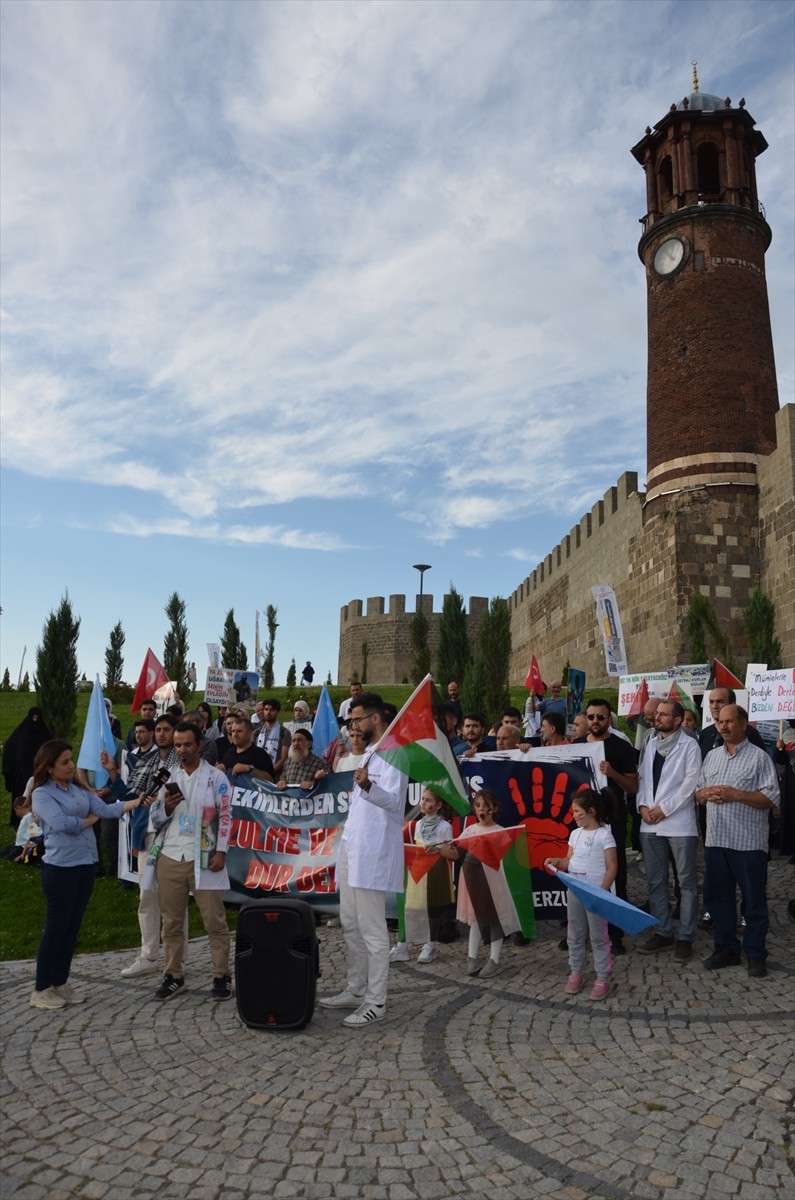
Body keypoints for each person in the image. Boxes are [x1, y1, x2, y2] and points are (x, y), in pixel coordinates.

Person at [30, 740, 142, 1009]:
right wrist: (90, 821)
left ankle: (60, 982)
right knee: (56, 928)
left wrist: (138, 802)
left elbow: (106, 809)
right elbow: (63, 824)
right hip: (60, 868)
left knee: (72, 928)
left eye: (71, 759)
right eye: (65, 762)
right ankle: (41, 988)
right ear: (49, 767)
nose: (71, 765)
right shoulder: (42, 794)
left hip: (85, 864)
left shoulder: (78, 788)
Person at [319, 693, 407, 1028]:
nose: (352, 726)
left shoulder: (395, 753)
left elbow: (396, 804)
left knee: (372, 928)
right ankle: (356, 988)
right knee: (350, 922)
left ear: (374, 718)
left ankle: (376, 1000)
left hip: (373, 851)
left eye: (356, 719)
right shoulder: (370, 752)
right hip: (353, 846)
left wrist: (368, 785)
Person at [148, 723, 233, 1001]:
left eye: (187, 744)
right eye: (177, 745)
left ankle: (221, 975)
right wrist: (167, 807)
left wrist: (221, 851)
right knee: (171, 922)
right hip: (172, 854)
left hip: (204, 856)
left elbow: (226, 816)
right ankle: (173, 975)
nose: (182, 750)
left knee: (214, 920)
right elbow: (154, 818)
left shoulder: (216, 777)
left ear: (199, 745)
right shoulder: (167, 777)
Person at [696, 704, 779, 977]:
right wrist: (706, 794)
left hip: (748, 843)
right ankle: (726, 949)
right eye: (720, 721)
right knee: (718, 899)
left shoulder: (759, 758)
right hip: (716, 840)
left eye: (729, 721)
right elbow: (698, 793)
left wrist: (737, 794)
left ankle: (755, 953)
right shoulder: (711, 757)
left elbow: (771, 798)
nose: (723, 726)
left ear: (744, 724)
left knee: (754, 901)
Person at [102, 714, 188, 979]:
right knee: (147, 895)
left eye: (167, 729)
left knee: (175, 900)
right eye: (158, 729)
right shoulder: (145, 762)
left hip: (175, 837)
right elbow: (129, 797)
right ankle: (149, 955)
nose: (161, 734)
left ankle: (179, 957)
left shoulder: (184, 764)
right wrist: (112, 771)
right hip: (147, 836)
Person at [636, 700, 702, 961]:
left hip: (678, 822)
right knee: (656, 881)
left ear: (677, 720)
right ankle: (663, 931)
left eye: (663, 714)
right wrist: (642, 806)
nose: (657, 718)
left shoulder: (690, 745)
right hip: (649, 822)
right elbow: (642, 779)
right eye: (657, 714)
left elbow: (691, 783)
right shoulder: (651, 744)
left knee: (686, 882)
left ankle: (685, 935)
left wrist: (665, 809)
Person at [573, 698, 637, 956]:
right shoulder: (576, 745)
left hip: (612, 823)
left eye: (601, 717)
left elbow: (633, 786)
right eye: (591, 717)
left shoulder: (622, 747)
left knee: (614, 874)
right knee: (581, 872)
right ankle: (581, 931)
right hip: (582, 824)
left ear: (609, 719)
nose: (596, 721)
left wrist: (613, 774)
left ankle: (615, 933)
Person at [544, 788, 618, 1000]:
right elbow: (569, 861)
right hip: (575, 891)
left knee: (598, 936)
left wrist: (602, 891)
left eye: (578, 811)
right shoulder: (575, 834)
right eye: (573, 811)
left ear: (591, 811)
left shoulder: (604, 835)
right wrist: (558, 861)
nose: (574, 815)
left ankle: (602, 977)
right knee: (574, 934)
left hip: (595, 893)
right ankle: (576, 972)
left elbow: (612, 866)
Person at [441, 788, 520, 979]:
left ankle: (494, 960)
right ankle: (472, 957)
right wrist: (440, 850)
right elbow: (456, 854)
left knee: (494, 919)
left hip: (493, 883)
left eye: (486, 805)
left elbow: (508, 862)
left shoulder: (500, 832)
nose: (481, 809)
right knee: (476, 919)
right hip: (472, 881)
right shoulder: (470, 830)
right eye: (478, 805)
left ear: (494, 808)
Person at [389, 789, 454, 965]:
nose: (423, 803)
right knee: (412, 907)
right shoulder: (418, 824)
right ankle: (404, 945)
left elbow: (451, 852)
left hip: (436, 871)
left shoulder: (445, 827)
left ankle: (430, 945)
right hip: (419, 871)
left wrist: (438, 850)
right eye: (422, 799)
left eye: (428, 800)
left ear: (438, 805)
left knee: (433, 908)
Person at [3, 707, 51, 827]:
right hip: (23, 775)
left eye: (37, 717)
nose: (35, 719)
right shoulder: (21, 733)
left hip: (40, 774)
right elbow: (9, 747)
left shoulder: (46, 735)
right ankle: (20, 821)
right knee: (23, 796)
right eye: (33, 717)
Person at [222, 716, 274, 783]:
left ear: (249, 733)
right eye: (233, 731)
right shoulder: (229, 752)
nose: (235, 734)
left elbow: (270, 779)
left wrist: (249, 769)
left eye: (239, 731)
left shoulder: (260, 754)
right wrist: (220, 768)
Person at [254, 698, 291, 776]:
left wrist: (269, 773)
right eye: (266, 709)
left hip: (274, 775)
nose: (268, 712)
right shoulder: (256, 732)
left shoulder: (284, 733)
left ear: (278, 712)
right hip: (256, 773)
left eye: (272, 710)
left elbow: (284, 758)